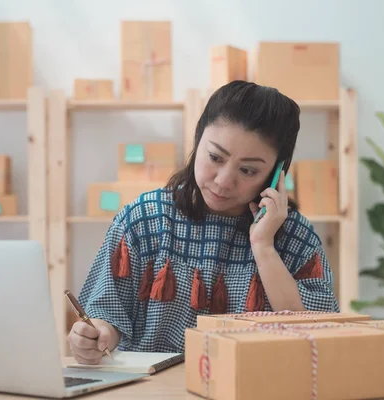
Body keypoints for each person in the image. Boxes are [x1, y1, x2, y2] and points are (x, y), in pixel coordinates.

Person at [68, 81, 340, 365]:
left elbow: (317, 331)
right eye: (214, 157)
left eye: (248, 170)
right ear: (197, 141)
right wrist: (96, 336)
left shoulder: (295, 236)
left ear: (276, 174)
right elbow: (106, 313)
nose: (224, 181)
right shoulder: (144, 218)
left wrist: (264, 246)